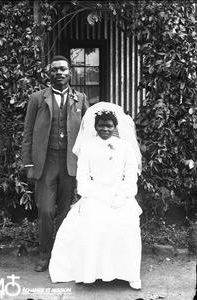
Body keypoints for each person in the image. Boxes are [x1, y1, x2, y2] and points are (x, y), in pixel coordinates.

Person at [48, 102, 142, 289]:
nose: (105, 129)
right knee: (94, 222)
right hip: (95, 195)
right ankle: (91, 273)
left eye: (109, 125)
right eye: (101, 125)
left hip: (119, 194)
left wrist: (122, 195)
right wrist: (98, 196)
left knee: (127, 223)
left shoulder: (125, 147)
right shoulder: (87, 147)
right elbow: (83, 179)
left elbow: (131, 175)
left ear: (115, 126)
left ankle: (128, 273)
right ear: (95, 126)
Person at [22, 55, 89, 272]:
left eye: (63, 69)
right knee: (45, 211)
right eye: (55, 70)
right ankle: (45, 253)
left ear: (70, 73)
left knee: (65, 212)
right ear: (49, 74)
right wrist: (28, 164)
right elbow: (28, 132)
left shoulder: (80, 98)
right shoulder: (37, 98)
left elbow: (89, 132)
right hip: (46, 161)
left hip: (70, 162)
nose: (59, 73)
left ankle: (62, 253)